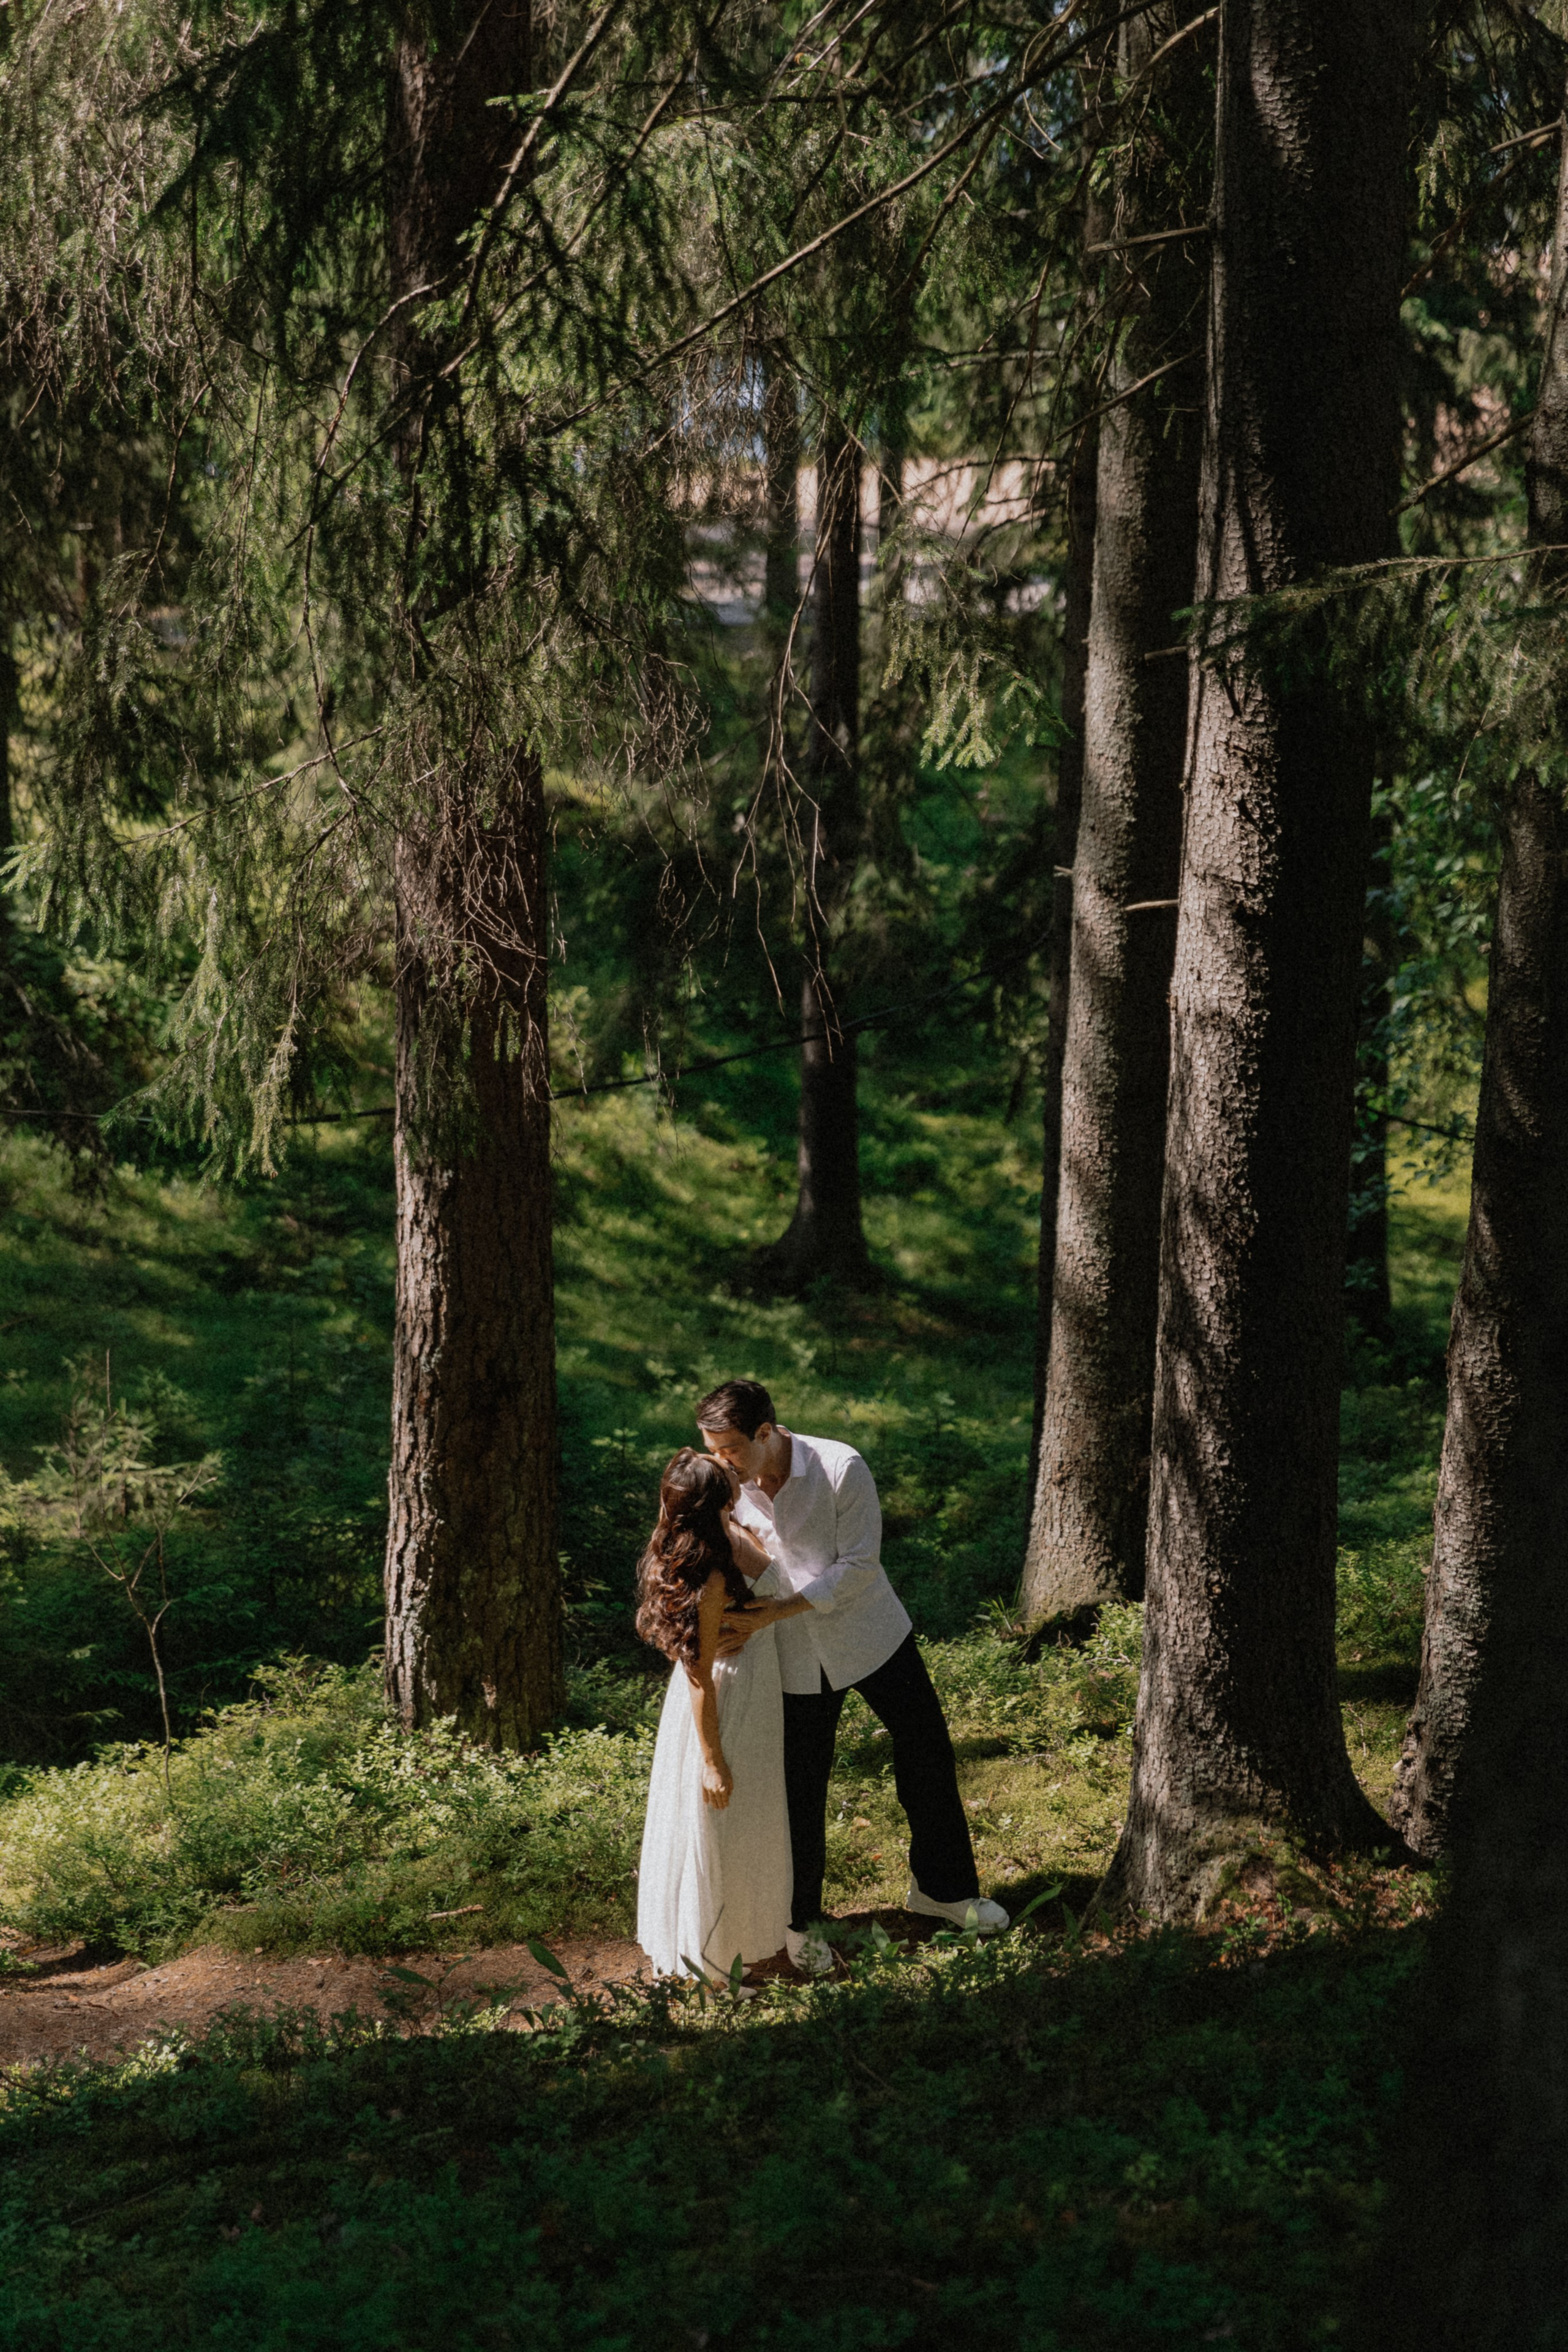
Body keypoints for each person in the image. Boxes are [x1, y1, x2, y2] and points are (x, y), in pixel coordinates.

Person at [694, 1377, 1008, 1975]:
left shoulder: (840, 1468)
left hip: (870, 1634)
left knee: (927, 1752)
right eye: (710, 1450)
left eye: (729, 1448)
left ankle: (944, 1891)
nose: (720, 1461)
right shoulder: (725, 1486)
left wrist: (775, 1610)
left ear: (765, 1432)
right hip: (786, 1655)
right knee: (800, 1790)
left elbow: (860, 1566)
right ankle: (800, 1925)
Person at [634, 1447, 804, 1989]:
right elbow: (698, 1674)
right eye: (728, 1474)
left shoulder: (723, 1532)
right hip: (728, 1698)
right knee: (722, 1818)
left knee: (746, 1820)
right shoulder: (707, 1572)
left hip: (754, 1688)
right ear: (716, 1500)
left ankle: (733, 1941)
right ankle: (711, 1959)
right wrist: (712, 1759)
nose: (733, 1467)